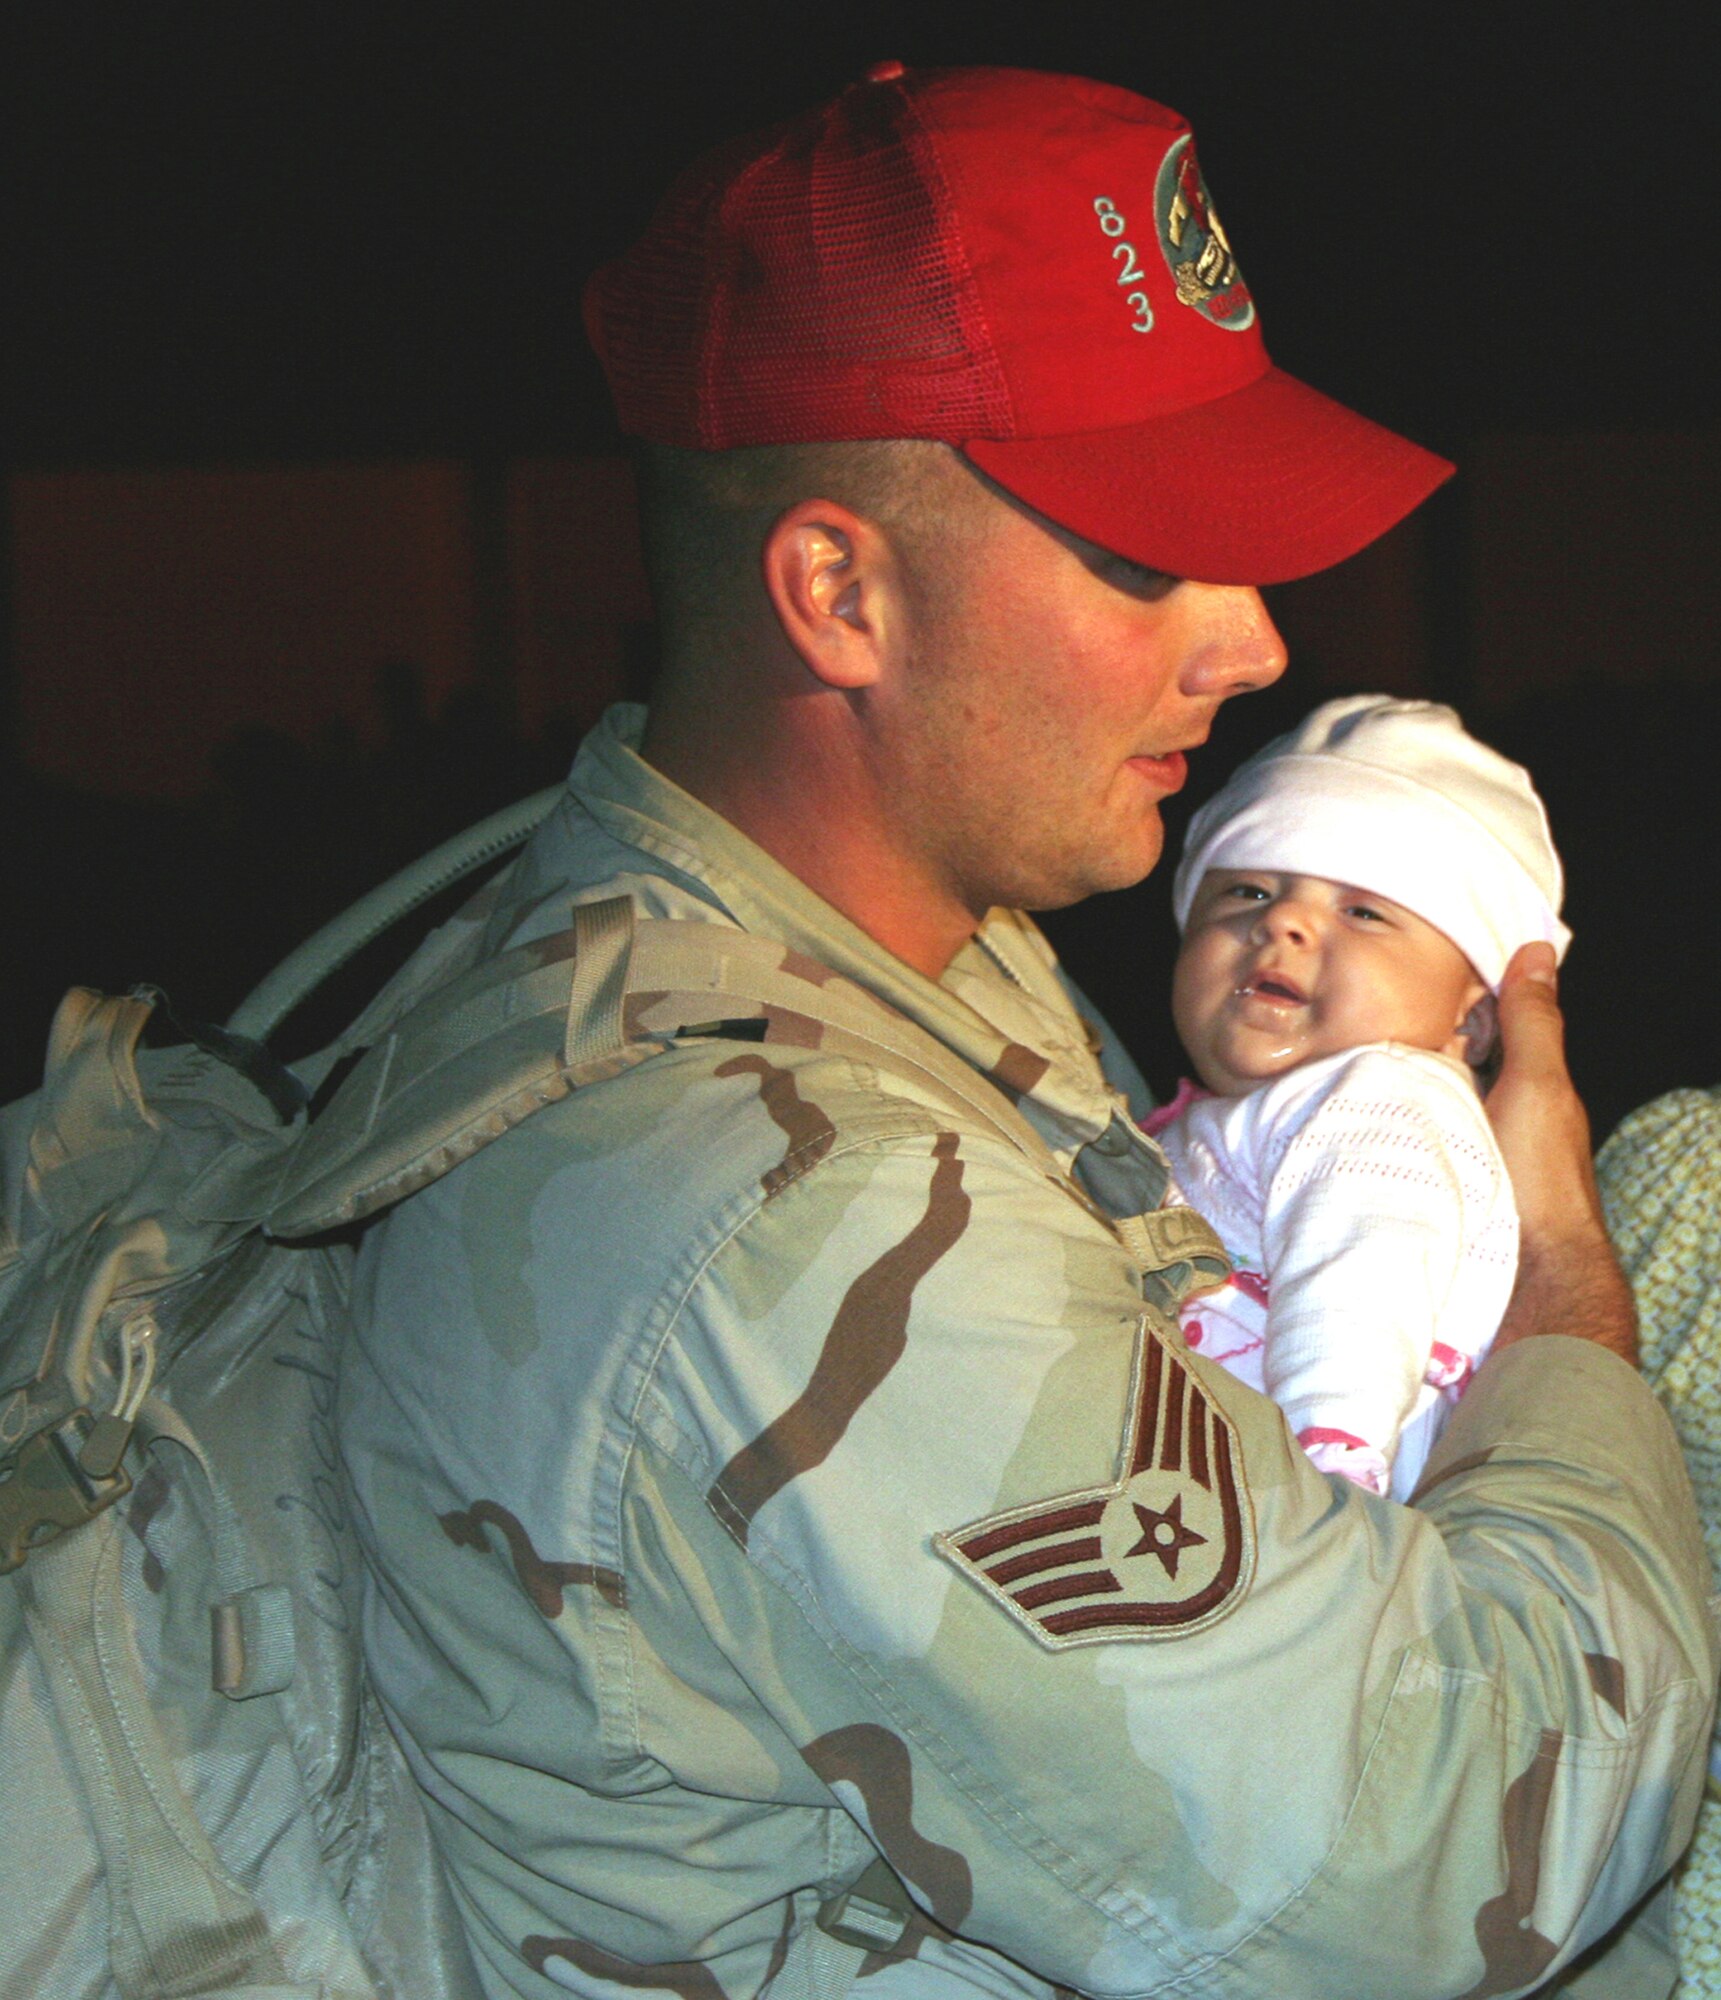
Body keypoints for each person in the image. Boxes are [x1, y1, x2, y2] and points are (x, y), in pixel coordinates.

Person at [336, 63, 1715, 2000]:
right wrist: (1561, 1288)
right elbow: (1461, 1842)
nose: (1249, 640)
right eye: (1142, 554)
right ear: (837, 593)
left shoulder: (868, 947)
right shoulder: (785, 1211)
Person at [1147, 695, 1566, 1501]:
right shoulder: (1242, 1115)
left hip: (1310, 1492)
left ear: (1470, 1019)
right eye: (1247, 894)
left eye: (1363, 911)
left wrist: (1330, 1458)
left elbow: (1365, 1270)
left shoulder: (1383, 1100)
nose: (1288, 924)